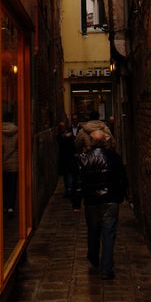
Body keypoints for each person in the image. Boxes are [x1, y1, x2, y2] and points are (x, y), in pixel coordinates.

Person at [75, 127, 127, 279]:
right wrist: (121, 195)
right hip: (110, 200)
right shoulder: (114, 157)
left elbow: (79, 183)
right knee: (109, 233)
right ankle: (106, 269)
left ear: (90, 142)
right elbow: (122, 178)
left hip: (91, 201)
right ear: (105, 141)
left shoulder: (84, 158)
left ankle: (93, 256)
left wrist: (77, 203)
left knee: (93, 230)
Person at [56, 119, 77, 197]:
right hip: (64, 158)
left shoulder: (70, 135)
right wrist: (65, 136)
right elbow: (60, 142)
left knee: (70, 174)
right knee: (66, 175)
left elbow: (73, 143)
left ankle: (70, 190)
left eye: (63, 127)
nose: (63, 129)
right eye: (61, 127)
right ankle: (68, 189)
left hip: (70, 157)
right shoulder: (59, 136)